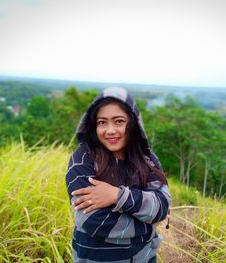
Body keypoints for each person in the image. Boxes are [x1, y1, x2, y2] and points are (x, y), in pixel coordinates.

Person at [65, 87, 171, 262]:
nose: (110, 130)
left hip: (145, 256)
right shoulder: (82, 160)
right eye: (102, 122)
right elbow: (95, 222)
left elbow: (161, 205)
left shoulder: (147, 158)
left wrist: (116, 195)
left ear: (133, 123)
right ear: (94, 125)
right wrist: (148, 220)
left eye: (119, 121)